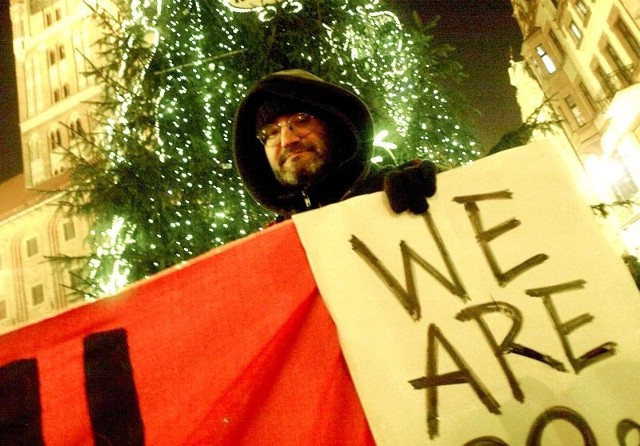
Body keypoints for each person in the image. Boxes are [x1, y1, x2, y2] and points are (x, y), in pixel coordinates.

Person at [232, 69, 437, 222]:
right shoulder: (274, 246)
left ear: (333, 127)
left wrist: (441, 192)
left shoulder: (394, 188)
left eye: (301, 119)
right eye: (270, 132)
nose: (287, 140)